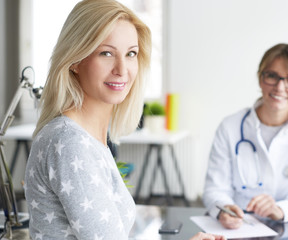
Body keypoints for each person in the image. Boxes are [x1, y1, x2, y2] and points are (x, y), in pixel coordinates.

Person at [24, 0, 225, 239]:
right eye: (106, 53)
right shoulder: (69, 142)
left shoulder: (90, 137)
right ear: (75, 60)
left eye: (131, 54)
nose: (122, 69)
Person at [202, 43, 288, 229]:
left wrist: (281, 209)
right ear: (260, 78)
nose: (280, 87)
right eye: (272, 76)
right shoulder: (230, 127)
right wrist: (224, 209)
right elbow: (215, 189)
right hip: (241, 228)